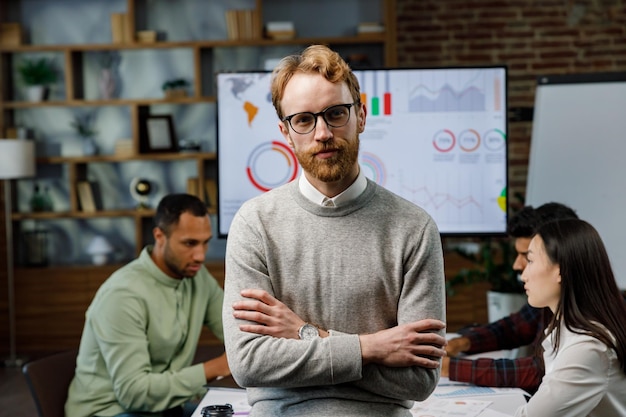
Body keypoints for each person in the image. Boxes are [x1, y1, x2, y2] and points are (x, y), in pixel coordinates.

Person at [222, 44, 447, 416]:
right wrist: (373, 348)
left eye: (335, 114)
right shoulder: (255, 224)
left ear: (361, 116)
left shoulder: (413, 228)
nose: (322, 133)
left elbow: (418, 381)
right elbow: (250, 363)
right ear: (285, 132)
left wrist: (306, 335)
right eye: (304, 120)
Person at [65, 194, 230, 417]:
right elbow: (133, 393)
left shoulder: (198, 277)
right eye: (189, 243)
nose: (200, 255)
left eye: (205, 242)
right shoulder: (123, 295)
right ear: (159, 236)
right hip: (109, 410)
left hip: (165, 406)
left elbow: (236, 331)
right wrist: (215, 368)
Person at [442, 202, 578, 392]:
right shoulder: (552, 299)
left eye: (528, 257)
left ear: (560, 259)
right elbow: (515, 328)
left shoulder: (582, 315)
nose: (517, 266)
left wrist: (449, 367)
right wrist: (462, 342)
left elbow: (540, 371)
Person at [514, 218, 626, 416]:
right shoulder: (567, 329)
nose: (524, 275)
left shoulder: (588, 348)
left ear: (561, 270)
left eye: (530, 260)